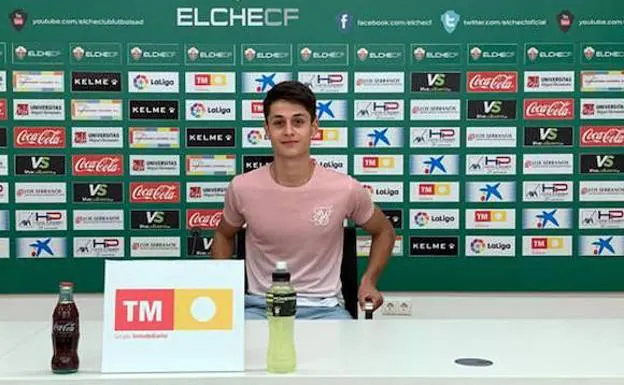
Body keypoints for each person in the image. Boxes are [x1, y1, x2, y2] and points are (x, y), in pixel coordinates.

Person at [211, 80, 396, 320]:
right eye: (279, 123)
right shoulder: (242, 187)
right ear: (266, 129)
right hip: (259, 308)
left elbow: (384, 231)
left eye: (298, 121)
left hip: (325, 309)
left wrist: (369, 281)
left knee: (348, 356)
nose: (288, 131)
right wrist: (221, 289)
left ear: (314, 127)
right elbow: (224, 234)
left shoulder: (345, 188)